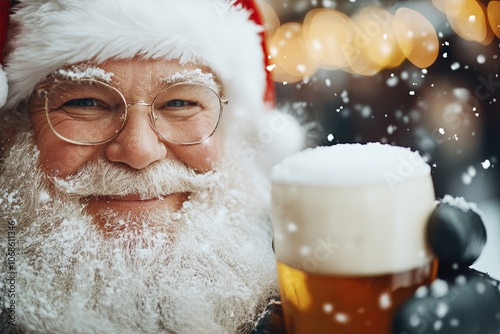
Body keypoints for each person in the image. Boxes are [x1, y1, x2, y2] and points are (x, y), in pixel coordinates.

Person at [0, 1, 497, 334]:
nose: (138, 150)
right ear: (14, 128)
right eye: (85, 102)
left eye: (179, 104)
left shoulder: (301, 296)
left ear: (233, 132)